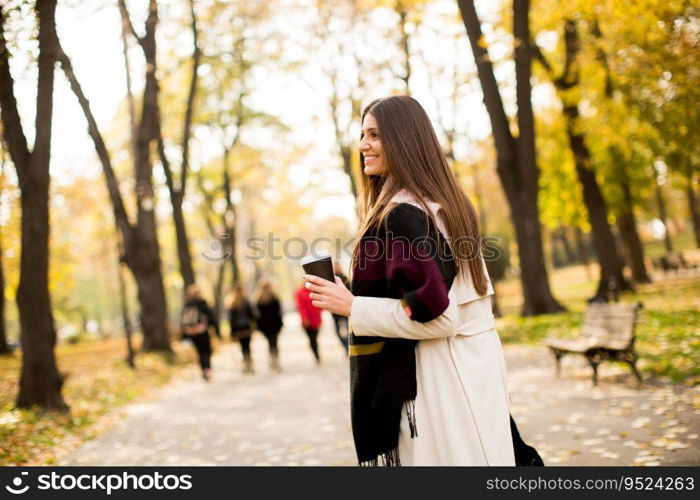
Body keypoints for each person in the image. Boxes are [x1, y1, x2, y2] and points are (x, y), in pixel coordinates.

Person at [304, 95, 540, 466]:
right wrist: (354, 281)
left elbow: (439, 315)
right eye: (363, 134)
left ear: (404, 140)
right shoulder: (443, 203)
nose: (363, 145)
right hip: (470, 371)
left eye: (376, 135)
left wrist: (352, 306)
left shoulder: (404, 214)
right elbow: (432, 289)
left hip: (441, 379)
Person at [180, 284, 220, 381]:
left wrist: (184, 336)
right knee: (207, 351)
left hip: (192, 333)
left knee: (199, 352)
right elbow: (211, 318)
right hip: (202, 332)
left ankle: (203, 369)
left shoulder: (187, 305)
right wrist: (216, 331)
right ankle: (207, 369)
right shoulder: (202, 304)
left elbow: (182, 321)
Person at [254, 280, 284, 372]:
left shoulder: (259, 299)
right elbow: (279, 312)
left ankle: (273, 360)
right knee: (275, 342)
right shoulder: (274, 298)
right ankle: (276, 360)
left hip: (265, 326)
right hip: (274, 324)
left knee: (270, 343)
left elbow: (257, 314)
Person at [227, 283, 257, 374]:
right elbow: (252, 315)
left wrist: (232, 331)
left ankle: (246, 365)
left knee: (242, 347)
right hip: (246, 328)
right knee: (247, 346)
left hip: (238, 329)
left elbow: (231, 320)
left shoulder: (232, 303)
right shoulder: (246, 301)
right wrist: (254, 326)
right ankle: (249, 364)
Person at [295, 280, 322, 364]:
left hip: (316, 318)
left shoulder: (315, 291)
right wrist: (305, 318)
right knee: (312, 339)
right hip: (307, 320)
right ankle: (316, 355)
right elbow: (300, 307)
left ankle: (316, 352)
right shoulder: (299, 293)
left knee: (315, 337)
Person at [330, 262, 350, 353]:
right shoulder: (330, 278)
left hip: (345, 309)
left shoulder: (345, 278)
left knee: (348, 331)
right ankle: (347, 347)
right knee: (338, 332)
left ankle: (348, 347)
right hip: (335, 312)